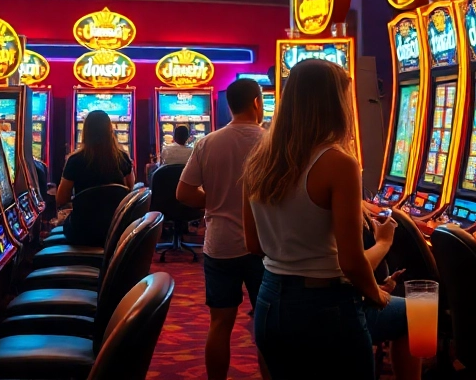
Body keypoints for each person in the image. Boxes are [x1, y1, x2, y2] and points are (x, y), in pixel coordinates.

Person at [243, 59, 413, 380]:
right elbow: (350, 263)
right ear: (335, 104)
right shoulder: (339, 163)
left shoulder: (258, 161)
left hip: (269, 302)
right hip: (324, 308)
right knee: (414, 312)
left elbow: (254, 244)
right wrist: (380, 264)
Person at [176, 79, 267, 380]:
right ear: (257, 102)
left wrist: (212, 199)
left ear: (229, 105)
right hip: (264, 245)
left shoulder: (207, 142)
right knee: (267, 324)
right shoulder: (271, 142)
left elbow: (184, 193)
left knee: (220, 323)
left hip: (220, 245)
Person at [56, 109, 134, 246]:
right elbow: (130, 189)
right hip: (115, 229)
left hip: (82, 230)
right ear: (110, 131)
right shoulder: (122, 157)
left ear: (85, 132)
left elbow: (61, 199)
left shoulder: (75, 160)